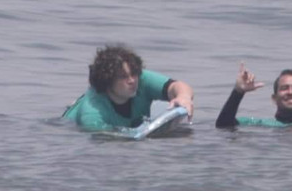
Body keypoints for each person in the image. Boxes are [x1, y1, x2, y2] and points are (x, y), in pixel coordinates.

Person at [62, 44, 195, 132]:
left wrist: (183, 96)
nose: (131, 80)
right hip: (69, 127)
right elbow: (101, 139)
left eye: (133, 73)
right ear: (107, 81)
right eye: (123, 77)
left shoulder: (141, 79)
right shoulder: (92, 111)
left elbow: (177, 86)